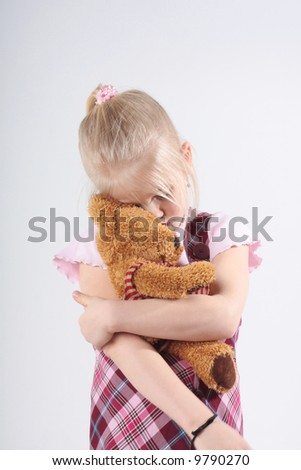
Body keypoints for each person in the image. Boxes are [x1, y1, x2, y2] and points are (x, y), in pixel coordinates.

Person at [53, 83, 262, 450]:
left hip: (216, 422)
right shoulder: (99, 248)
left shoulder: (223, 232)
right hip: (129, 425)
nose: (155, 215)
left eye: (161, 193)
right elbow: (123, 345)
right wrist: (201, 426)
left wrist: (113, 314)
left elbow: (220, 316)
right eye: (133, 206)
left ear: (185, 157)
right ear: (107, 202)